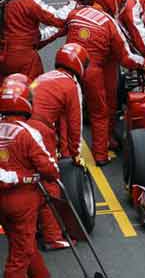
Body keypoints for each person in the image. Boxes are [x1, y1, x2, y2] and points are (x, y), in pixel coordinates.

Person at [65, 0, 145, 165]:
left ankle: (65, 153)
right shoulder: (109, 23)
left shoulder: (75, 13)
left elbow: (55, 29)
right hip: (92, 71)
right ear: (113, 2)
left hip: (68, 68)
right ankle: (101, 154)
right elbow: (126, 57)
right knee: (99, 113)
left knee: (67, 113)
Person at [30, 43, 89, 249]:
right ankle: (53, 237)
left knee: (27, 179)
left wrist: (64, 150)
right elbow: (75, 124)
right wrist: (75, 154)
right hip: (38, 129)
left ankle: (35, 226)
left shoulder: (45, 78)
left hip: (16, 127)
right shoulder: (71, 86)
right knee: (49, 181)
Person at [0, 79, 59, 277]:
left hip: (3, 200)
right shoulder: (28, 132)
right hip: (23, 201)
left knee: (24, 244)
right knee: (20, 256)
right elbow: (49, 169)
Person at [0, 0, 75, 82]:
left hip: (4, 57)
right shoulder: (29, 0)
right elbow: (59, 18)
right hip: (25, 59)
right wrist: (73, 3)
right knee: (33, 92)